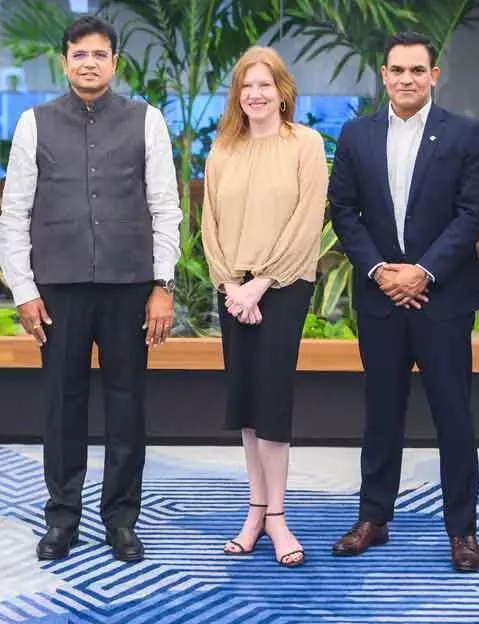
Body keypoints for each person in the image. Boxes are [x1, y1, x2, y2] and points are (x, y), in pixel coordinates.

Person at [0, 14, 181, 563]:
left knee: (127, 407)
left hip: (129, 287)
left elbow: (166, 208)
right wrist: (24, 291)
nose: (89, 63)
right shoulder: (35, 123)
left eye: (100, 54)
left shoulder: (147, 121)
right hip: (59, 290)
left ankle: (122, 520)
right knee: (62, 407)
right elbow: (13, 213)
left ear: (114, 62)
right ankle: (62, 518)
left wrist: (162, 285)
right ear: (65, 60)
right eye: (79, 54)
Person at [327, 31, 479, 573]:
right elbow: (344, 210)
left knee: (454, 417)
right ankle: (373, 517)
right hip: (380, 300)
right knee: (381, 414)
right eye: (397, 70)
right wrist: (380, 271)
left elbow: (473, 212)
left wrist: (422, 272)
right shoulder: (356, 135)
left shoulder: (466, 134)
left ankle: (462, 531)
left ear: (433, 75)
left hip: (441, 300)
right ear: (383, 75)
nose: (406, 79)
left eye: (417, 71)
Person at [201, 47, 327, 567]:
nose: (255, 94)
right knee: (247, 406)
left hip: (283, 288)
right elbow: (209, 223)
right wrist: (233, 286)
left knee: (272, 405)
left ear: (283, 92)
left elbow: (306, 222)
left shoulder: (306, 144)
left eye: (264, 85)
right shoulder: (222, 148)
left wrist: (261, 285)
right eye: (246, 86)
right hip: (234, 292)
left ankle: (277, 516)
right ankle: (255, 510)